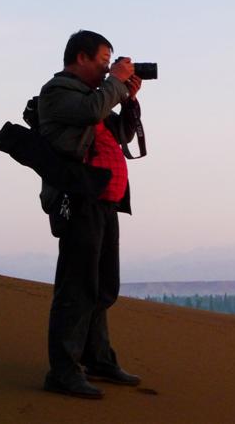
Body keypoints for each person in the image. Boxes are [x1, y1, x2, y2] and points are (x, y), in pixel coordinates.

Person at [39, 30, 144, 399]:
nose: (107, 68)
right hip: (79, 199)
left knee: (102, 285)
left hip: (104, 201)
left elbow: (122, 135)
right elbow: (90, 112)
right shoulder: (57, 92)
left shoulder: (96, 96)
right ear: (80, 58)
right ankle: (63, 371)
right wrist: (113, 85)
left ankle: (98, 358)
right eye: (103, 61)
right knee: (77, 286)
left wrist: (128, 100)